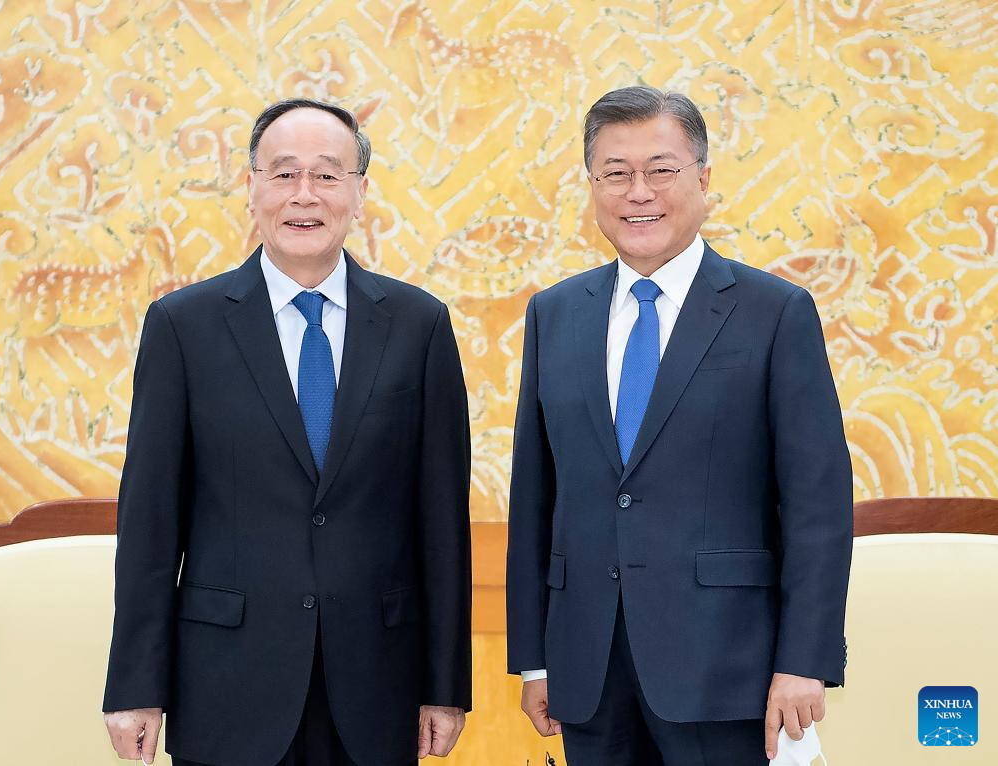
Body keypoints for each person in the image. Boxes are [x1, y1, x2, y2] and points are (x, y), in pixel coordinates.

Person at [103, 98, 472, 766]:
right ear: (251, 188)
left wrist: (444, 688)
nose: (305, 195)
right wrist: (135, 688)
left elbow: (441, 522)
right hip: (226, 682)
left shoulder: (419, 326)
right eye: (283, 174)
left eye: (327, 175)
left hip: (376, 683)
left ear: (360, 192)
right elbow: (151, 523)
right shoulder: (183, 326)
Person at [506, 85, 852, 765]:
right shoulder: (555, 314)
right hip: (588, 669)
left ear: (702, 178)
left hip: (730, 670)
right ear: (592, 185)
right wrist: (536, 659)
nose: (638, 192)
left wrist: (803, 661)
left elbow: (816, 502)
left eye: (660, 169)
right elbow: (536, 496)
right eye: (615, 173)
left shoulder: (774, 312)